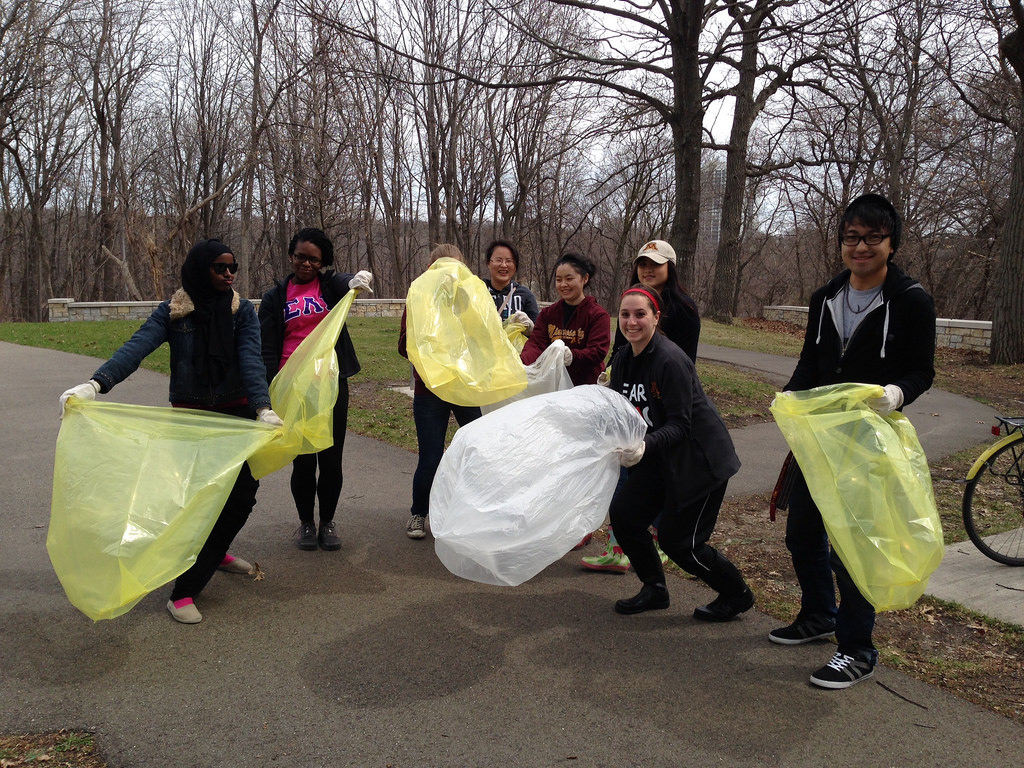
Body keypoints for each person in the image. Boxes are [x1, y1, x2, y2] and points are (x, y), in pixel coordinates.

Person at [58, 239, 283, 625]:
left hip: (236, 419)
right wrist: (96, 385)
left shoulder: (241, 311)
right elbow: (136, 347)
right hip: (191, 424)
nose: (229, 274)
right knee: (193, 502)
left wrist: (262, 407)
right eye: (219, 267)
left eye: (233, 267)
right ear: (200, 270)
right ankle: (183, 592)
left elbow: (251, 358)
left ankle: (214, 553)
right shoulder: (174, 312)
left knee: (240, 499)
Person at [771, 193, 936, 689]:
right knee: (802, 533)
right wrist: (789, 398)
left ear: (891, 243)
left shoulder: (911, 301)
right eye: (851, 238)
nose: (860, 247)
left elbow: (922, 371)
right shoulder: (826, 298)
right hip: (820, 436)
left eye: (872, 238)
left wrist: (897, 392)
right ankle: (819, 614)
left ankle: (858, 648)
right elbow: (810, 360)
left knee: (854, 545)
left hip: (870, 441)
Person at [608, 285, 754, 622]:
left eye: (640, 314)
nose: (631, 322)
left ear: (656, 317)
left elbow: (681, 425)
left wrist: (643, 446)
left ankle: (737, 594)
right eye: (625, 314)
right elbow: (618, 410)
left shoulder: (670, 360)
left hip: (698, 463)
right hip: (659, 458)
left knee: (680, 544)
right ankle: (655, 588)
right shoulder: (623, 359)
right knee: (626, 517)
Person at [583, 239, 701, 573]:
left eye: (655, 263)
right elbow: (622, 346)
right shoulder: (632, 299)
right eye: (642, 263)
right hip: (632, 398)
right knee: (626, 467)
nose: (648, 269)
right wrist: (609, 374)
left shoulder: (684, 310)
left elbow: (683, 364)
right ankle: (620, 545)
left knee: (659, 469)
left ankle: (653, 541)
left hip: (664, 400)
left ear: (670, 267)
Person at [259, 227, 373, 552]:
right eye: (300, 257)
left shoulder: (328, 286)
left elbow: (342, 282)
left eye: (313, 259)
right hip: (293, 387)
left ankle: (328, 522)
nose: (306, 264)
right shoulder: (275, 297)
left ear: (322, 262)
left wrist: (354, 281)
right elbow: (268, 347)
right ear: (291, 256)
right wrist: (266, 396)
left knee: (331, 459)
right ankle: (306, 523)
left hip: (330, 386)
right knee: (304, 460)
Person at [399, 243, 482, 540]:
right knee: (431, 456)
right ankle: (418, 515)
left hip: (464, 388)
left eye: (454, 266)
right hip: (429, 391)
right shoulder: (418, 297)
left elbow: (483, 338)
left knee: (477, 451)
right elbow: (403, 345)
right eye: (442, 267)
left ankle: (472, 514)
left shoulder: (471, 297)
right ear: (431, 269)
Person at [520, 253, 610, 386]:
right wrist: (520, 363)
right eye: (558, 280)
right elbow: (536, 344)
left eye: (569, 279)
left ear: (585, 278)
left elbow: (597, 351)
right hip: (553, 385)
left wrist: (572, 356)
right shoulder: (548, 314)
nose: (563, 284)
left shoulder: (597, 315)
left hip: (586, 387)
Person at [482, 239, 540, 331]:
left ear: (515, 266)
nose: (504, 265)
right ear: (488, 263)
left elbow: (539, 333)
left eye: (509, 261)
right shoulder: (478, 291)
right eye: (498, 260)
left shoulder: (525, 295)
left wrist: (530, 330)